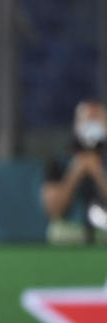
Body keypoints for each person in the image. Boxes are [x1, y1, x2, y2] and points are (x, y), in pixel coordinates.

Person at [41, 100, 107, 245]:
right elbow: (53, 208)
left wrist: (98, 174)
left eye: (97, 120)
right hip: (65, 246)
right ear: (76, 125)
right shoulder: (58, 162)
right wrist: (75, 172)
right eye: (87, 120)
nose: (91, 126)